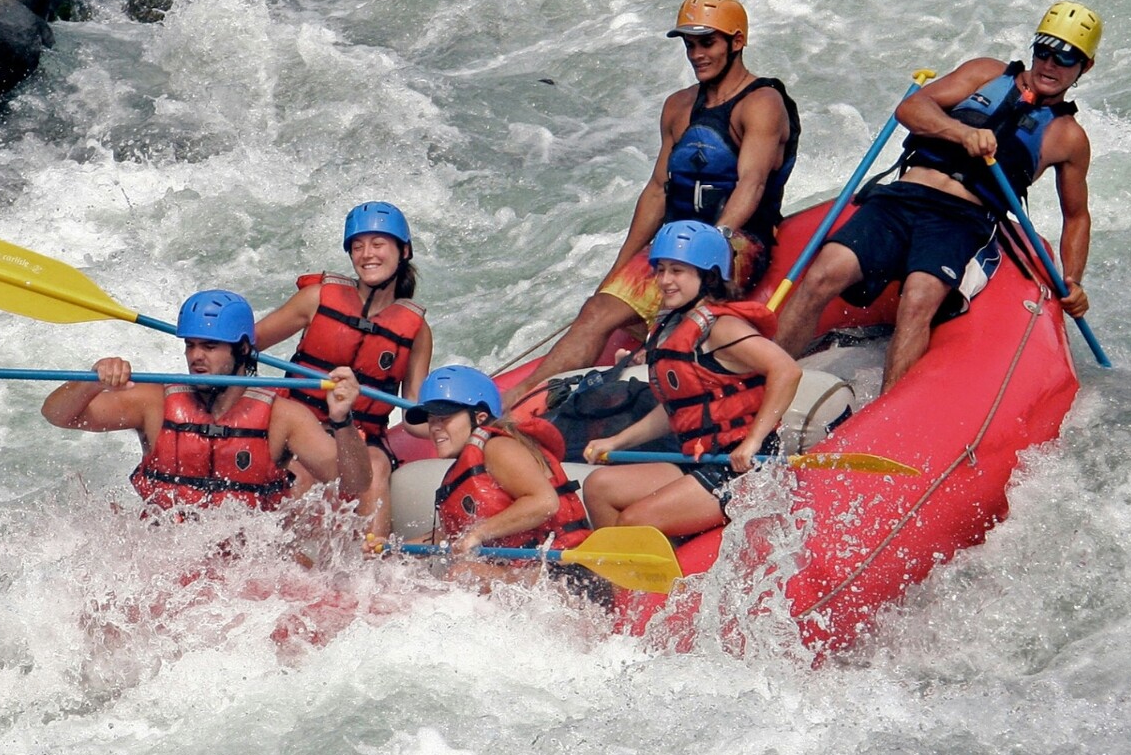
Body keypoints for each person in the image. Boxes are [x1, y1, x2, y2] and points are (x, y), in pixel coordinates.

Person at [772, 1, 1100, 390]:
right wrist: (961, 133)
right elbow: (912, 108)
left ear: (1085, 66)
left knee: (919, 299)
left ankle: (887, 414)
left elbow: (1076, 216)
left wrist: (1073, 279)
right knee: (822, 275)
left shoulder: (1069, 137)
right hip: (902, 197)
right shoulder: (986, 73)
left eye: (1065, 58)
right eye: (1043, 51)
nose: (1049, 64)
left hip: (961, 220)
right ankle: (765, 382)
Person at [505, 0, 802, 409]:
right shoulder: (678, 106)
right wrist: (620, 265)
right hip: (673, 241)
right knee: (596, 311)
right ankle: (519, 404)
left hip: (736, 242)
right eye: (690, 45)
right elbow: (659, 188)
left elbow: (750, 186)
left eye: (707, 43)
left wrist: (706, 248)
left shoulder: (762, 103)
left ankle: (656, 362)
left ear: (737, 41)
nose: (696, 54)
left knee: (677, 323)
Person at [41, 289, 372, 521]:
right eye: (191, 346)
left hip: (245, 565)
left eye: (210, 347)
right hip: (164, 552)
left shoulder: (283, 417)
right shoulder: (153, 402)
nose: (196, 356)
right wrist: (92, 381)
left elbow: (353, 484)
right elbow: (57, 415)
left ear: (243, 350)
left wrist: (342, 420)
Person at [580, 222, 802, 537]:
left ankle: (644, 561)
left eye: (677, 271)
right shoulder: (674, 326)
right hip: (700, 456)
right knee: (598, 487)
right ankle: (623, 569)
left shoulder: (722, 328)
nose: (665, 280)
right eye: (661, 270)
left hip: (743, 465)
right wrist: (616, 441)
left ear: (709, 276)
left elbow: (787, 370)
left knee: (634, 520)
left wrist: (753, 441)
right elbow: (680, 408)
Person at [254, 202, 432, 538]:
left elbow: (413, 412)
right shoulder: (317, 298)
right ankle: (283, 556)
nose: (367, 254)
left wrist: (452, 424)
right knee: (302, 472)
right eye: (358, 246)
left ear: (404, 251)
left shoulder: (417, 331)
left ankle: (371, 558)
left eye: (378, 244)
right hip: (299, 425)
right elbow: (247, 345)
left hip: (362, 433)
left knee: (375, 467)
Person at [412, 365, 592, 561]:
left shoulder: (498, 447)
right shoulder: (467, 465)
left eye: (444, 418)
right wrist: (395, 549)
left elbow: (544, 502)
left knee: (460, 572)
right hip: (524, 567)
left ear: (479, 418)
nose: (435, 427)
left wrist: (478, 534)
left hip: (564, 562)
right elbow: (454, 537)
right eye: (431, 420)